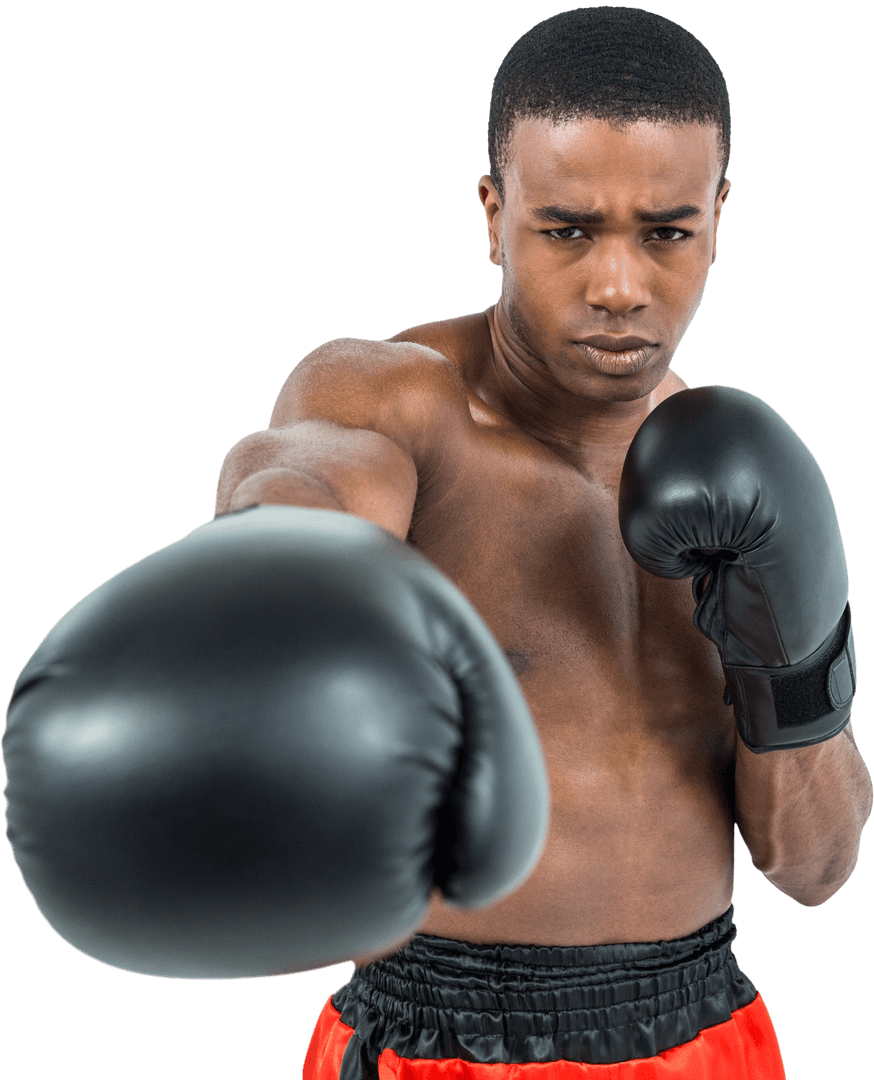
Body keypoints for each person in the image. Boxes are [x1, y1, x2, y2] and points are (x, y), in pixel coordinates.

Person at [3, 6, 870, 1078]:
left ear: (718, 217)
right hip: (440, 1042)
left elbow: (816, 868)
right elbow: (304, 476)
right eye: (566, 228)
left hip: (712, 1033)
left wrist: (790, 663)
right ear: (494, 214)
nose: (617, 286)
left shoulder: (742, 479)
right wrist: (270, 562)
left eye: (665, 231)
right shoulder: (403, 404)